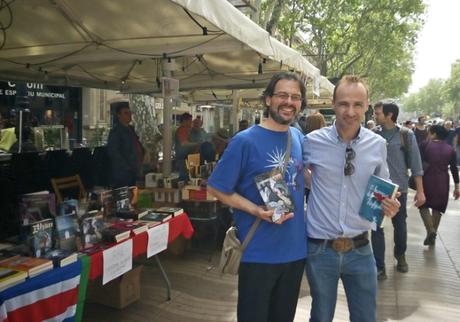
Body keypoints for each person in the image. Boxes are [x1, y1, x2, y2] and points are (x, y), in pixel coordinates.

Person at [207, 72, 307, 322]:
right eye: (282, 95)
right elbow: (217, 187)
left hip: (295, 252)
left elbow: (303, 178)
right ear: (268, 100)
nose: (289, 101)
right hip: (258, 252)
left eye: (295, 97)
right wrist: (255, 210)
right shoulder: (244, 141)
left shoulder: (297, 137)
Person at [303, 75, 400, 322]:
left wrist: (391, 205)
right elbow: (295, 178)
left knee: (366, 317)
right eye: (344, 104)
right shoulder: (312, 142)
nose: (350, 111)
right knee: (321, 316)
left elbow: (384, 190)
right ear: (333, 104)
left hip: (361, 249)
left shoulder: (377, 145)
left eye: (357, 104)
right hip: (320, 249)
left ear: (367, 105)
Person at [371, 101, 425, 280]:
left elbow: (416, 164)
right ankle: (379, 266)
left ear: (389, 115)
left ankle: (400, 255)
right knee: (376, 228)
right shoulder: (373, 134)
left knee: (400, 226)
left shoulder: (405, 135)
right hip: (378, 188)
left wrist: (420, 191)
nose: (374, 116)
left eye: (377, 113)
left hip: (399, 189)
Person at [418, 125, 460, 245]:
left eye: (429, 132)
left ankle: (431, 231)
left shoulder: (425, 145)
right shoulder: (450, 149)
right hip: (443, 181)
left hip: (427, 179)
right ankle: (432, 235)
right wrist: (457, 187)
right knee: (437, 208)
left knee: (423, 206)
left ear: (434, 134)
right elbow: (454, 169)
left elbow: (418, 163)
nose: (428, 135)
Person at [107, 104, 145, 188]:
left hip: (134, 170)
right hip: (123, 173)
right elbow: (113, 152)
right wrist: (126, 167)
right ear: (119, 115)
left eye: (130, 113)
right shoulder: (116, 131)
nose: (129, 115)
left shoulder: (131, 129)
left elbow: (137, 145)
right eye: (126, 113)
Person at [174, 112, 200, 181]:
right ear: (185, 121)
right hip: (182, 159)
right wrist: (196, 144)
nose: (191, 122)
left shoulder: (188, 130)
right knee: (184, 178)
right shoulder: (182, 130)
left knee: (189, 177)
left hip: (188, 158)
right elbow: (184, 143)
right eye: (190, 121)